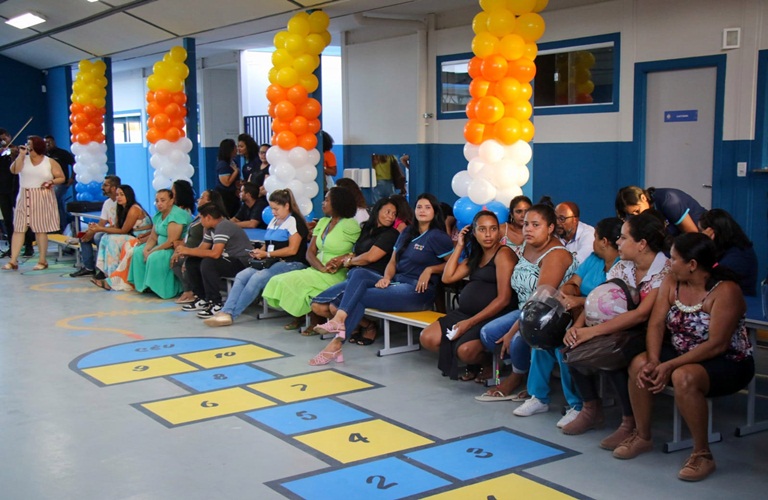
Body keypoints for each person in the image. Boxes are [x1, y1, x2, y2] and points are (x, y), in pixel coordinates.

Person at [615, 233, 754, 482]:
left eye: (674, 258)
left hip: (728, 361)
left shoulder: (726, 291)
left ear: (692, 265)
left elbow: (717, 345)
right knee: (639, 363)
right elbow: (656, 324)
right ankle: (642, 436)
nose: (668, 263)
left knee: (684, 377)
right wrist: (655, 360)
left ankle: (702, 454)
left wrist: (669, 365)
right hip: (682, 352)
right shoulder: (672, 281)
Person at [560, 213, 670, 448]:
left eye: (624, 237)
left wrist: (592, 332)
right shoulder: (623, 266)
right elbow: (600, 298)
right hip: (619, 327)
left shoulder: (664, 271)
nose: (618, 242)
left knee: (616, 356)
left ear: (641, 244)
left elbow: (641, 315)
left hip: (652, 333)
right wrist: (577, 328)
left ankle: (628, 422)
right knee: (572, 345)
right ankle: (590, 408)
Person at [308, 193, 453, 365]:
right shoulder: (408, 232)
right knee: (359, 273)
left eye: (427, 207)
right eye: (419, 207)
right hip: (397, 282)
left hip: (418, 291)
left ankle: (335, 342)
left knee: (358, 296)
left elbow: (453, 264)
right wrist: (387, 277)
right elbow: (393, 261)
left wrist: (431, 269)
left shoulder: (437, 236)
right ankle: (338, 325)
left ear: (435, 211)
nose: (422, 211)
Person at [475, 204, 580, 430]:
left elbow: (540, 301)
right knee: (489, 334)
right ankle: (537, 396)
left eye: (535, 225)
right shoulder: (526, 246)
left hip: (551, 316)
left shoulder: (556, 255)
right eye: (525, 225)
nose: (528, 229)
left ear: (550, 228)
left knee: (524, 340)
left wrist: (513, 331)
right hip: (525, 310)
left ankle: (571, 403)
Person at [420, 210, 517, 381]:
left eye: (493, 229)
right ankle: (474, 364)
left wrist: (469, 323)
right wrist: (459, 246)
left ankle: (489, 363)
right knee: (427, 338)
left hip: (492, 315)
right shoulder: (476, 255)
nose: (488, 234)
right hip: (465, 313)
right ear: (474, 232)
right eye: (482, 229)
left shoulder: (503, 254)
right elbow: (447, 278)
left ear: (499, 232)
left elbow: (504, 299)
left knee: (465, 351)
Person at [203, 189, 310, 327]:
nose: (273, 212)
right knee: (242, 276)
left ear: (287, 206)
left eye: (276, 209)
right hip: (272, 261)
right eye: (272, 208)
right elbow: (269, 244)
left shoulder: (294, 222)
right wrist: (260, 251)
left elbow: (292, 249)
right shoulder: (274, 221)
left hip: (292, 263)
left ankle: (232, 314)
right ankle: (226, 311)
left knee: (257, 278)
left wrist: (268, 254)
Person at [262, 186, 360, 329]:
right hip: (318, 269)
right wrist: (321, 268)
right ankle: (303, 316)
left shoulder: (350, 224)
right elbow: (310, 252)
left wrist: (341, 260)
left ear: (338, 202)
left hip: (337, 273)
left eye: (326, 200)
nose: (323, 203)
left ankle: (315, 320)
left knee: (298, 284)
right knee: (279, 280)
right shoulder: (323, 222)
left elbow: (359, 251)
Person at [309, 197, 400, 343]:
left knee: (334, 307)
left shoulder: (391, 234)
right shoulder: (366, 228)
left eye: (394, 214)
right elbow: (357, 252)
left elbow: (370, 257)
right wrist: (341, 259)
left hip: (375, 276)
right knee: (317, 306)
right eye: (388, 212)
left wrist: (349, 261)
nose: (391, 217)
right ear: (377, 211)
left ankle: (365, 326)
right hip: (355, 276)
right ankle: (361, 325)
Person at [177, 203, 252, 317]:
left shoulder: (224, 226)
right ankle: (202, 298)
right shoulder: (211, 229)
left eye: (201, 218)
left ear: (208, 217)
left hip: (240, 262)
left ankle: (215, 302)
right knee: (193, 261)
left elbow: (216, 254)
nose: (200, 221)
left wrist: (188, 250)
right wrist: (188, 253)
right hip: (227, 260)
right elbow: (201, 249)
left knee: (209, 263)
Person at [2, 136, 65, 271]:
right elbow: (14, 170)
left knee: (40, 230)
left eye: (30, 144)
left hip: (41, 195)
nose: (27, 146)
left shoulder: (49, 162)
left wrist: (51, 182)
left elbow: (61, 177)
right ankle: (13, 260)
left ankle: (42, 260)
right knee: (19, 229)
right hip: (24, 195)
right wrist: (20, 155)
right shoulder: (23, 160)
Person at [128, 189, 193, 299]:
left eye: (163, 200)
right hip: (160, 245)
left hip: (172, 248)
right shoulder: (159, 215)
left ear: (171, 201)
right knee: (138, 252)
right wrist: (146, 250)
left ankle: (162, 289)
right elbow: (153, 237)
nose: (159, 204)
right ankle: (145, 286)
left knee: (154, 256)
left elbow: (171, 241)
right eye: (157, 201)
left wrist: (152, 251)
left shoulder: (177, 215)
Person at [90, 185, 152, 289]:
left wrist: (100, 229)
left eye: (122, 195)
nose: (118, 197)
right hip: (130, 235)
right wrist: (98, 227)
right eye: (117, 195)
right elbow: (117, 226)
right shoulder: (121, 208)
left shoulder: (134, 209)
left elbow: (124, 230)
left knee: (112, 240)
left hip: (141, 238)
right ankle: (106, 273)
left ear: (128, 195)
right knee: (105, 237)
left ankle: (113, 279)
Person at [172, 189, 227, 304]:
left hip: (224, 256)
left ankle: (204, 297)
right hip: (199, 250)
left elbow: (212, 248)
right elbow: (201, 242)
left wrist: (189, 254)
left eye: (202, 197)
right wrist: (185, 252)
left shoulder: (217, 222)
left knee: (194, 262)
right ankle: (198, 296)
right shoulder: (201, 218)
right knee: (182, 260)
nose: (198, 199)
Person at [697, 208, 758, 296]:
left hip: (740, 301)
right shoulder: (729, 248)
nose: (699, 235)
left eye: (700, 231)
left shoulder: (737, 257)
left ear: (712, 233)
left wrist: (704, 244)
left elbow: (705, 282)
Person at [69, 175, 121, 278]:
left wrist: (97, 231)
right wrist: (91, 231)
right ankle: (89, 268)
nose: (102, 187)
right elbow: (102, 223)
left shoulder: (121, 202)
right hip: (108, 230)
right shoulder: (107, 203)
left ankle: (102, 269)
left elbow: (119, 225)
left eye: (105, 185)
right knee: (85, 236)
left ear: (113, 188)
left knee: (98, 237)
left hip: (118, 231)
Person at [615, 186, 706, 235]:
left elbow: (693, 234)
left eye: (638, 211)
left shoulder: (669, 201)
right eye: (632, 214)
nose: (638, 216)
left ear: (643, 198)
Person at [44, 135, 76, 234]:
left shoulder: (62, 153)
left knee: (54, 200)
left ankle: (61, 226)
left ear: (54, 142)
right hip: (48, 183)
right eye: (46, 142)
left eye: (50, 142)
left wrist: (72, 178)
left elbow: (74, 164)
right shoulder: (44, 155)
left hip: (61, 183)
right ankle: (61, 224)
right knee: (58, 204)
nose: (48, 144)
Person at [555, 201, 595, 267]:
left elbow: (578, 264)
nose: (557, 222)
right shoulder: (552, 234)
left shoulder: (589, 234)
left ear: (575, 220)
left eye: (562, 219)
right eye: (555, 218)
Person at [214, 138, 240, 217]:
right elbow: (226, 183)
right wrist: (236, 172)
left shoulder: (233, 162)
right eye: (235, 147)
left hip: (233, 195)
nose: (236, 149)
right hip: (224, 196)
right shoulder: (223, 165)